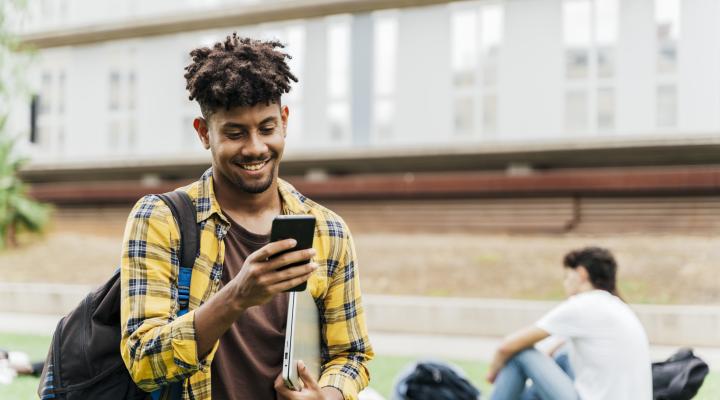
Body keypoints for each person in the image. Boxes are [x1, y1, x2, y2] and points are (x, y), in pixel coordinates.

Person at [119, 33, 373, 400]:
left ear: (284, 121)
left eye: (267, 128)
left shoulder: (328, 231)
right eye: (235, 133)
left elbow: (351, 354)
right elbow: (144, 362)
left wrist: (327, 395)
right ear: (204, 133)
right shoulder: (161, 219)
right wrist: (237, 295)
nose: (255, 148)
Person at [486, 246, 652, 400]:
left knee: (521, 354)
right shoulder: (616, 307)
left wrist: (493, 373)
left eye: (567, 276)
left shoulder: (583, 304)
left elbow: (507, 347)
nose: (565, 283)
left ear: (581, 274)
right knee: (563, 356)